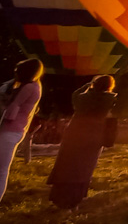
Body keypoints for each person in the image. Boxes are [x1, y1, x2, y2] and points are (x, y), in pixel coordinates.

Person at [0, 58, 44, 221]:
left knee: (1, 171)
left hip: (11, 131)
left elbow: (9, 115)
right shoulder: (36, 87)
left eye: (18, 71)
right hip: (15, 131)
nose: (15, 74)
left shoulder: (28, 88)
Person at [47, 75, 117, 210]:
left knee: (66, 166)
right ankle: (75, 201)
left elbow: (75, 94)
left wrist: (88, 85)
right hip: (94, 137)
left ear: (94, 84)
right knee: (84, 169)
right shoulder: (110, 100)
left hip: (75, 134)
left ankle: (59, 198)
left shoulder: (83, 99)